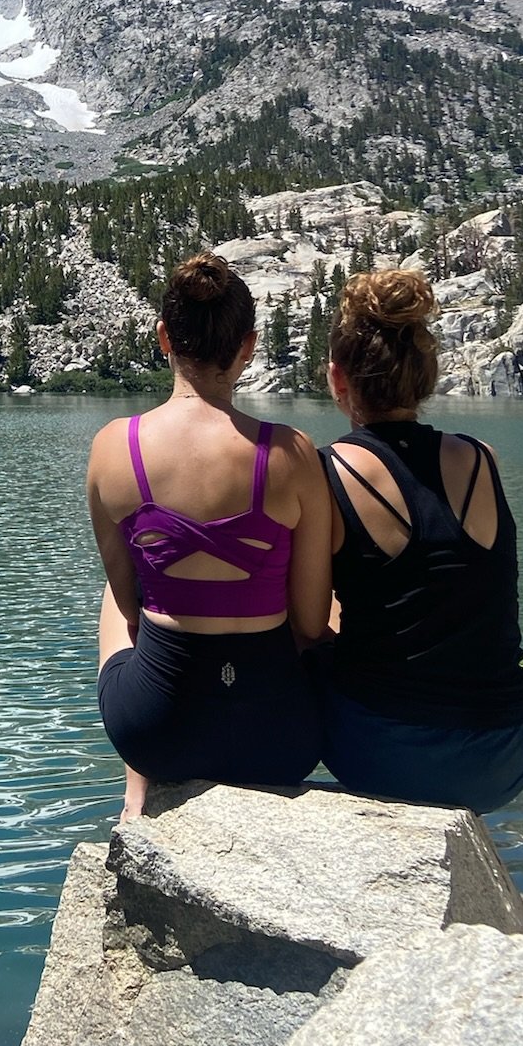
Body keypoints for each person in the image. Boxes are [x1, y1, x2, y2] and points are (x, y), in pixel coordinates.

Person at [87, 252, 332, 816]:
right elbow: (313, 622)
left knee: (114, 591)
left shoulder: (112, 448)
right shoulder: (292, 453)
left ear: (164, 338)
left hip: (158, 732)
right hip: (280, 742)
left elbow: (130, 604)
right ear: (247, 346)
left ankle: (137, 793)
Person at [314, 269, 523, 811]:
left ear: (337, 379)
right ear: (426, 378)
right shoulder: (481, 458)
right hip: (515, 744)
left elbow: (309, 624)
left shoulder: (327, 472)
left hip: (396, 753)